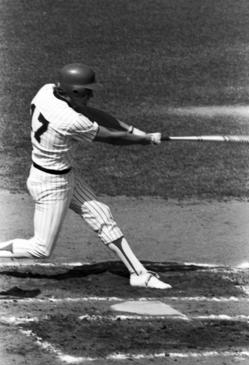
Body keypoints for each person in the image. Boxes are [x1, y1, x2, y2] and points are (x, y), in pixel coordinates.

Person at [0, 63, 171, 289]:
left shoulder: (47, 91)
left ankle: (138, 274)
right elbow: (110, 138)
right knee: (40, 248)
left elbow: (92, 114)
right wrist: (146, 139)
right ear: (73, 92)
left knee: (102, 216)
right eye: (86, 91)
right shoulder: (69, 120)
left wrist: (132, 130)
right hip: (51, 184)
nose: (90, 94)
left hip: (63, 175)